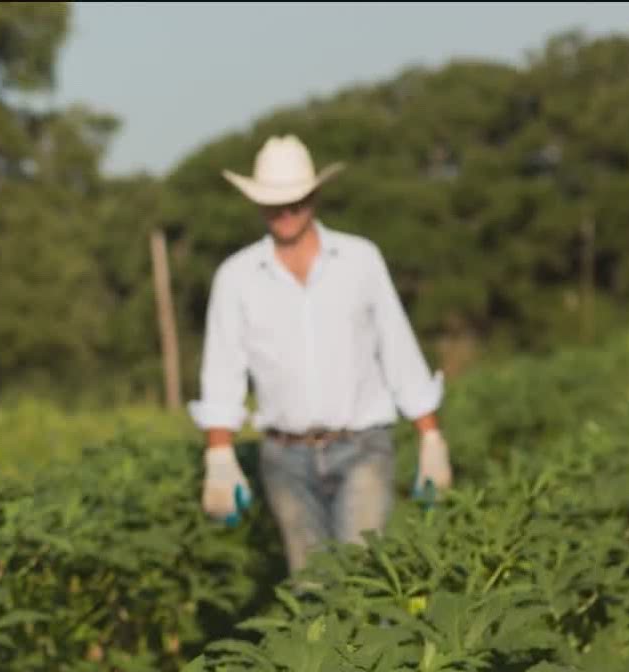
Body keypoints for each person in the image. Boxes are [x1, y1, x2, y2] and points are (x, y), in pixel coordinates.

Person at [189, 134, 454, 577]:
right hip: (284, 456)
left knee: (360, 579)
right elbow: (222, 371)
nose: (286, 213)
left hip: (362, 445)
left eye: (296, 202)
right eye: (275, 204)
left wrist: (430, 438)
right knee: (311, 587)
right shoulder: (236, 278)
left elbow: (397, 343)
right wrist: (219, 458)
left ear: (314, 197)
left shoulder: (359, 260)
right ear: (258, 204)